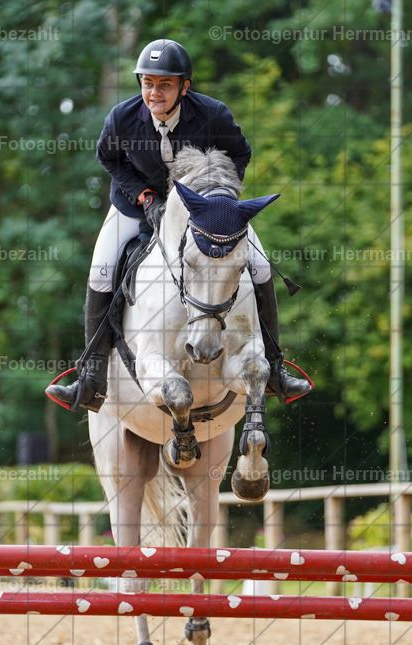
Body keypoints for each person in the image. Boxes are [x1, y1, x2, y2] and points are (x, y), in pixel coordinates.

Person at [47, 39, 311, 412]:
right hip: (136, 207)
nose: (154, 93)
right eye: (148, 83)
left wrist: (220, 195)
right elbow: (109, 157)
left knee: (260, 264)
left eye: (165, 84)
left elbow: (240, 152)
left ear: (184, 86)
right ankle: (91, 379)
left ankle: (275, 369)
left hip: (204, 210)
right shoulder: (122, 117)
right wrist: (144, 196)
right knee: (102, 270)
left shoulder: (213, 114)